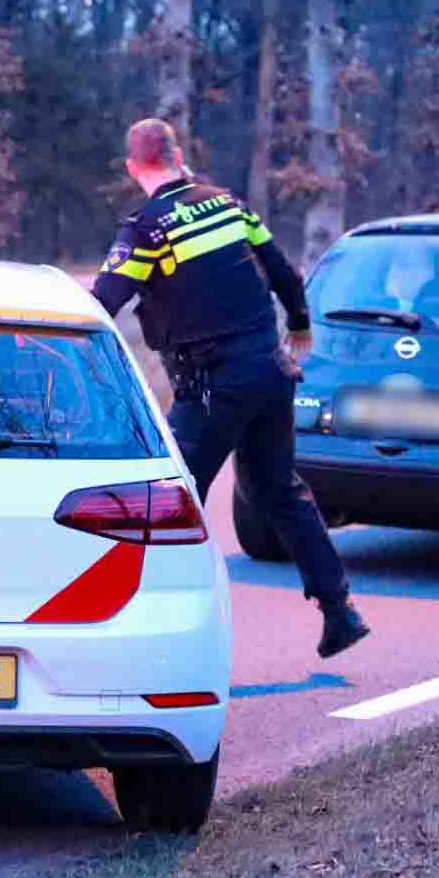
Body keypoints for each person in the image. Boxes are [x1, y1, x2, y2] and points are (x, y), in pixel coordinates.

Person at [91, 118, 370, 658]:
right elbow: (283, 271)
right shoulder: (228, 205)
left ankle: (135, 629)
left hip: (214, 386)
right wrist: (299, 323)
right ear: (178, 155)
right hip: (271, 372)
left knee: (168, 503)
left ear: (133, 168)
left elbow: (104, 301)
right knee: (279, 491)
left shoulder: (148, 228)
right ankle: (341, 610)